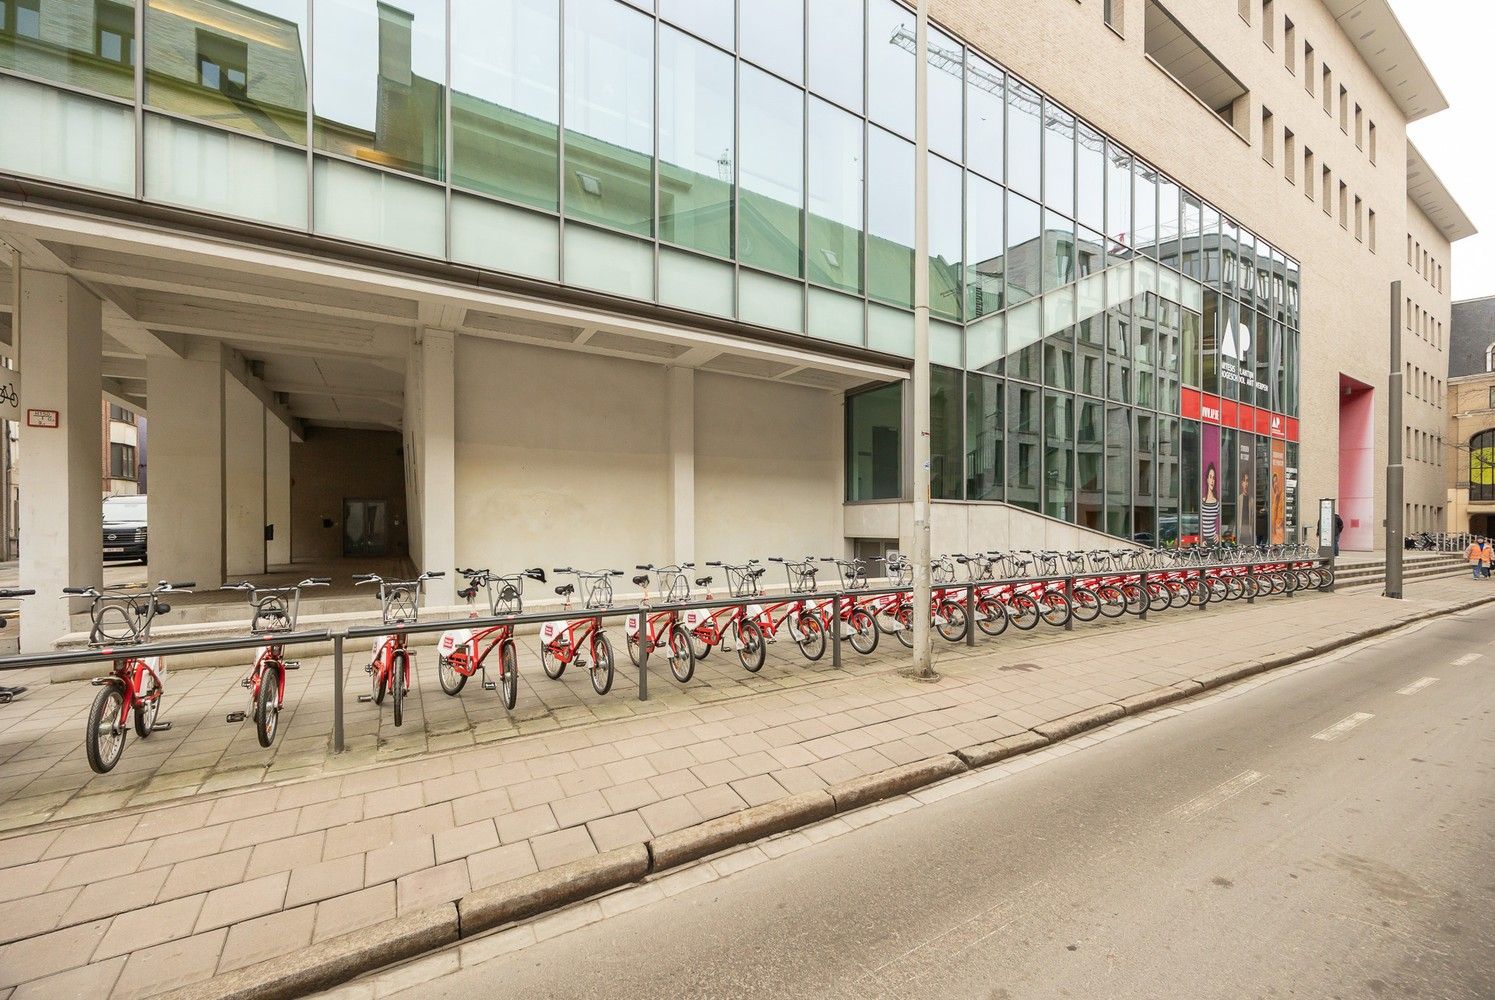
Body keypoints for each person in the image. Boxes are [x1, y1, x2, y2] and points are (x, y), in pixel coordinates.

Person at [1201, 463, 1220, 542]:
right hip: (1203, 541)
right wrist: (1201, 540)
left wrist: (1218, 534)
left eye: (1214, 478)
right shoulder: (1202, 502)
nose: (1212, 481)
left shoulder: (1217, 503)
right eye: (1210, 477)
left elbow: (1220, 521)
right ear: (1207, 479)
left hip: (1213, 540)